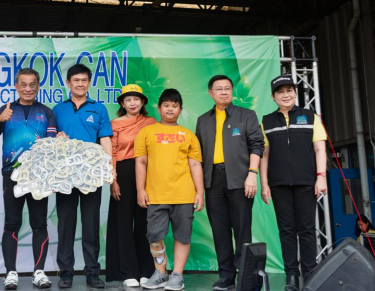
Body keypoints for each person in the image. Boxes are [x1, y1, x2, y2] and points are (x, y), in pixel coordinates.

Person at [0, 68, 56, 290]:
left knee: (39, 223)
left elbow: (52, 144)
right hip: (11, 174)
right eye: (23, 84)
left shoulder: (46, 112)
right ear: (16, 86)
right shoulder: (6, 109)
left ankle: (39, 272)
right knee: (12, 223)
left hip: (39, 175)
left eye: (32, 84)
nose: (28, 88)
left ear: (38, 86)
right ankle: (10, 273)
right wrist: (0, 120)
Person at [195, 75, 264, 291]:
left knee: (242, 230)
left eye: (227, 88)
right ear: (211, 93)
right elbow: (197, 155)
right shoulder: (203, 120)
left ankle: (246, 276)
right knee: (220, 230)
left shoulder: (247, 115)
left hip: (240, 179)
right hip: (212, 180)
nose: (224, 92)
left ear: (232, 91)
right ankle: (226, 276)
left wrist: (252, 174)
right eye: (219, 89)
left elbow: (257, 145)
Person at [259, 75, 328, 290]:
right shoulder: (267, 121)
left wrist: (321, 177)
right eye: (280, 92)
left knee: (306, 229)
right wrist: (264, 184)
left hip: (306, 182)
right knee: (286, 231)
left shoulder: (310, 116)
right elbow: (264, 155)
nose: (286, 95)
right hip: (278, 184)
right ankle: (291, 276)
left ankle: (310, 273)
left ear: (295, 94)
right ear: (273, 97)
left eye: (289, 90)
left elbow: (320, 149)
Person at [135, 88, 204, 291]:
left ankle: (177, 276)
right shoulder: (146, 132)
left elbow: (195, 165)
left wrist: (200, 192)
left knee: (183, 236)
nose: (170, 109)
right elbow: (140, 162)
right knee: (154, 236)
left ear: (180, 109)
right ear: (158, 108)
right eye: (166, 105)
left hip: (184, 194)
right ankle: (160, 273)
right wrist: (140, 189)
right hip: (156, 195)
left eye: (175, 106)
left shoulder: (189, 135)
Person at [52, 64, 113, 289]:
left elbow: (105, 139)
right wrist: (57, 137)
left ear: (89, 82)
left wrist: (109, 167)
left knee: (91, 225)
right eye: (76, 80)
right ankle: (66, 273)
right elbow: (50, 140)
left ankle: (92, 273)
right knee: (65, 225)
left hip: (91, 176)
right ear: (68, 83)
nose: (80, 84)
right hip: (65, 176)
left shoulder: (99, 109)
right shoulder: (57, 109)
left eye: (84, 80)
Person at [106, 84, 156, 287]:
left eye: (136, 99)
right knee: (123, 222)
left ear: (143, 102)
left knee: (145, 222)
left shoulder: (151, 122)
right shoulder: (115, 123)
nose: (132, 103)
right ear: (122, 103)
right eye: (128, 100)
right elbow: (112, 152)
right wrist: (113, 181)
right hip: (123, 172)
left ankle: (146, 270)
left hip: (148, 173)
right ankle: (128, 271)